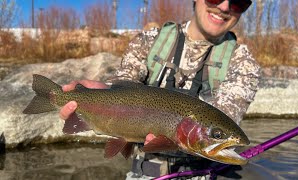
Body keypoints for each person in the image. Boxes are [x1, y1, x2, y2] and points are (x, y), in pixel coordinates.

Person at [60, 0, 260, 179]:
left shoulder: (243, 63)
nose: (224, 7)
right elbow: (124, 84)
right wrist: (104, 94)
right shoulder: (149, 41)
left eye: (238, 2)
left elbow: (221, 119)